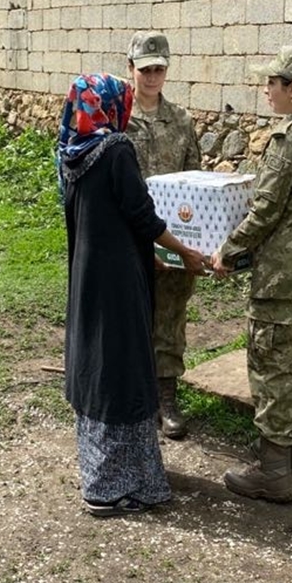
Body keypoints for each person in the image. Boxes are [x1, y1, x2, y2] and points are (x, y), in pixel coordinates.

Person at [57, 73, 206, 518]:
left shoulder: (72, 149)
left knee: (99, 364)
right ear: (110, 106)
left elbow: (107, 215)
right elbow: (142, 213)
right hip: (119, 282)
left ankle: (105, 472)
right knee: (123, 369)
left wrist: (149, 254)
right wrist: (185, 251)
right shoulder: (117, 149)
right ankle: (110, 488)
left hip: (89, 277)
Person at [211, 46, 292, 503]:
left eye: (272, 83)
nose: (266, 90)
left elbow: (266, 209)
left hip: (283, 275)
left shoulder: (291, 138)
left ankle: (273, 470)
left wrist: (229, 250)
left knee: (270, 364)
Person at [123, 30, 203, 440]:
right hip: (130, 236)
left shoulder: (182, 121)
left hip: (173, 240)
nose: (153, 77)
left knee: (170, 317)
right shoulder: (118, 119)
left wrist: (191, 244)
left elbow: (195, 185)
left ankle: (166, 398)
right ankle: (134, 397)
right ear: (131, 68)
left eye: (160, 69)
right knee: (130, 316)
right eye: (146, 69)